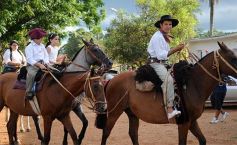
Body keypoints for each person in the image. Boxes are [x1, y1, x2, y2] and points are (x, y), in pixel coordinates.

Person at [147, 15, 185, 120]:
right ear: (161, 25)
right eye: (166, 24)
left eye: (170, 24)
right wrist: (176, 49)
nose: (168, 26)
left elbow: (165, 54)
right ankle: (169, 109)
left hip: (162, 63)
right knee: (169, 80)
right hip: (156, 63)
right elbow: (160, 55)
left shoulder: (164, 37)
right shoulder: (157, 37)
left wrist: (176, 48)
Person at [25, 28, 49, 100]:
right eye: (41, 38)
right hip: (33, 66)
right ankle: (29, 91)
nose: (42, 39)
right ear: (35, 38)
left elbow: (46, 55)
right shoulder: (29, 47)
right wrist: (39, 65)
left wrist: (46, 62)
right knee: (31, 75)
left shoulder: (42, 46)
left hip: (43, 64)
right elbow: (29, 59)